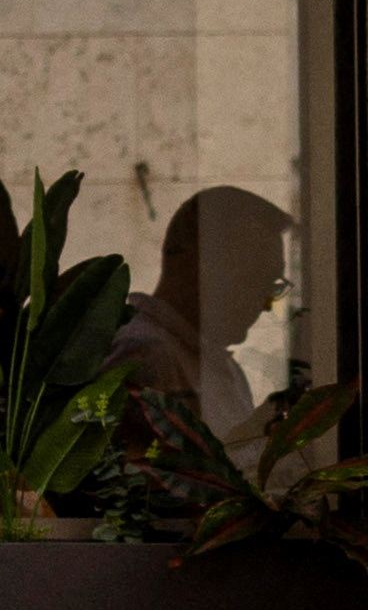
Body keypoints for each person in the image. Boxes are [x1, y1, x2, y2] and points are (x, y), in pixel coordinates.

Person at [112, 185, 292, 442]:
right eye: (252, 279)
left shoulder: (222, 367)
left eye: (272, 286)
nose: (265, 304)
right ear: (191, 264)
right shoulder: (145, 356)